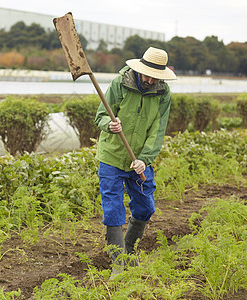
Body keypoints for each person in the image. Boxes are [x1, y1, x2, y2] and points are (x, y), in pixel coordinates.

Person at [94, 47, 176, 273]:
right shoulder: (120, 84)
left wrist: (144, 159)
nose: (150, 79)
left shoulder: (162, 93)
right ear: (139, 69)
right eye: (147, 74)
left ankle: (129, 248)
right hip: (111, 156)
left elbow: (158, 130)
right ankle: (118, 264)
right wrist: (110, 125)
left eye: (155, 76)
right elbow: (101, 116)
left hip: (139, 160)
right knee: (112, 209)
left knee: (145, 207)